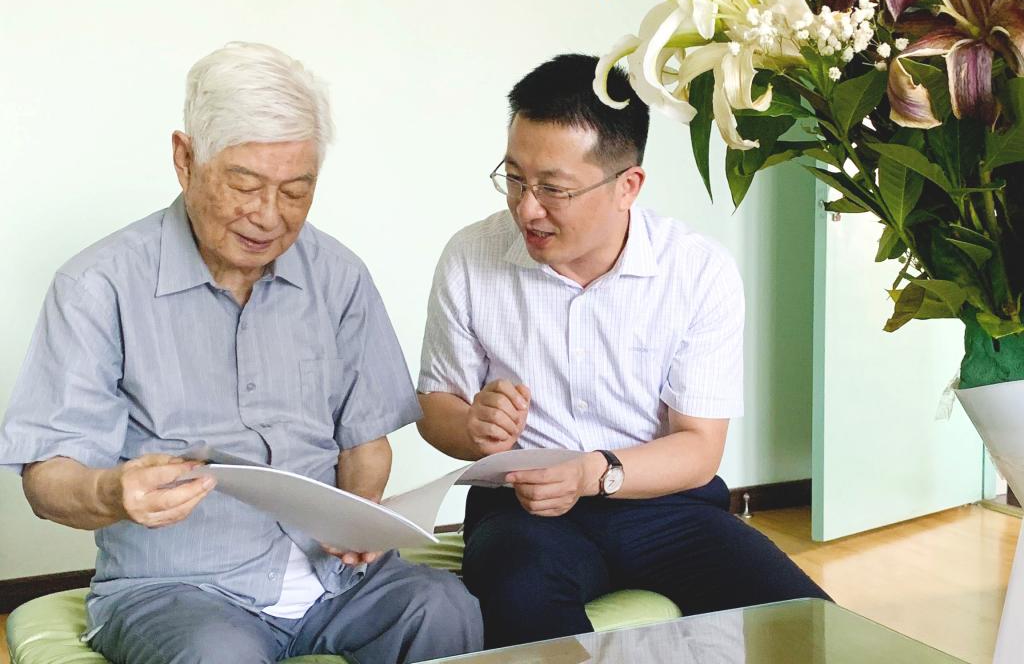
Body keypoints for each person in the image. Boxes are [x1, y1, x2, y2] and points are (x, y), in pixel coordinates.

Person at [0, 42, 482, 664]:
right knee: (217, 654)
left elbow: (366, 444)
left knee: (444, 608)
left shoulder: (339, 276)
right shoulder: (99, 285)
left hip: (335, 580)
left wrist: (358, 522)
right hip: (178, 590)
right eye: (245, 185)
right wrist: (112, 491)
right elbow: (47, 480)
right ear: (185, 159)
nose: (268, 217)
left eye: (296, 191)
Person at [416, 53, 830, 648]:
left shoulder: (697, 271)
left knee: (802, 627)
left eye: (553, 189)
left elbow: (698, 447)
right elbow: (436, 409)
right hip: (523, 514)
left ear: (626, 186)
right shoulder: (470, 257)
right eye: (514, 178)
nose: (526, 207)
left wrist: (595, 471)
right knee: (518, 594)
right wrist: (472, 426)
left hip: (667, 506)